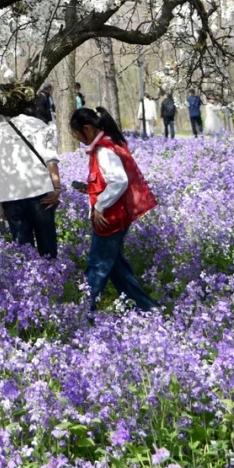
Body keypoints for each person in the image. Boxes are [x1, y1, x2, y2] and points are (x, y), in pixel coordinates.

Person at [69, 106, 158, 314]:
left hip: (110, 219)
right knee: (118, 269)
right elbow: (107, 182)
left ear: (87, 128)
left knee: (97, 265)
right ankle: (147, 308)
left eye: (77, 134)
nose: (79, 139)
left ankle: (84, 312)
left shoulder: (103, 150)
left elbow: (119, 181)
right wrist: (91, 190)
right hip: (114, 216)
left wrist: (99, 205)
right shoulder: (105, 146)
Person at [0, 109, 61, 257]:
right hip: (40, 192)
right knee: (48, 246)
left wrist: (0, 200)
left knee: (23, 252)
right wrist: (56, 188)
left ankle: (28, 278)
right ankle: (52, 278)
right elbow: (51, 160)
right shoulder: (40, 125)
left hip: (10, 197)